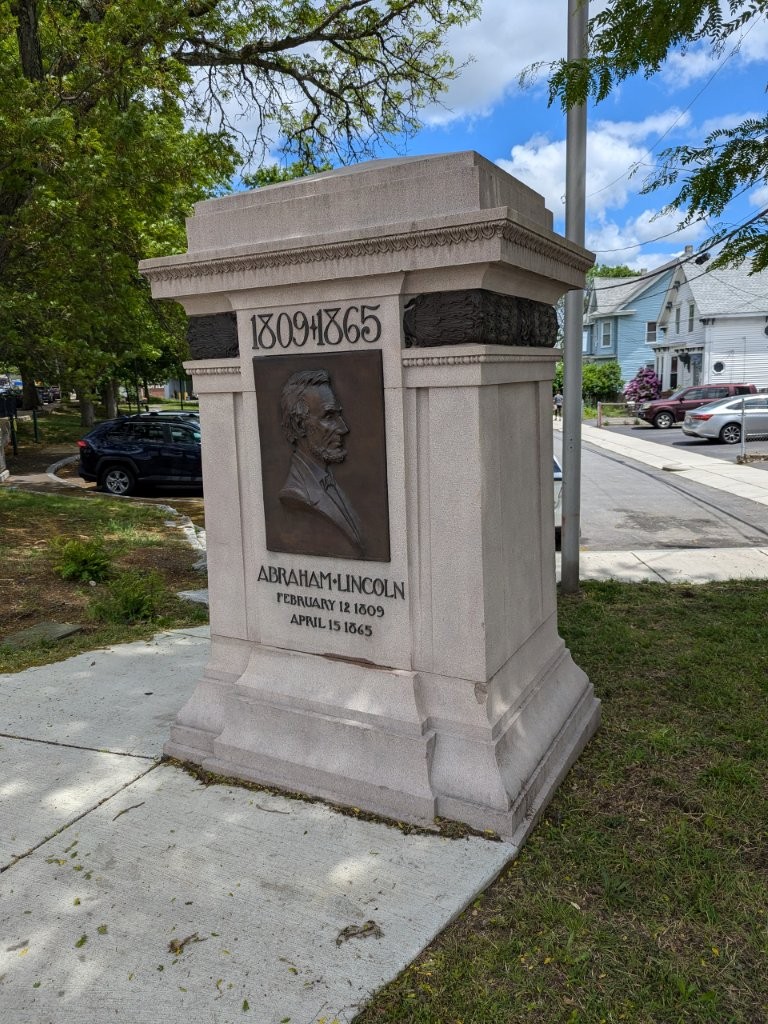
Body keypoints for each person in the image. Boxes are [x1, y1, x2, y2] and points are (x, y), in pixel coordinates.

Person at [278, 369, 365, 557]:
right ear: (299, 426)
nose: (343, 428)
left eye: (339, 415)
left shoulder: (329, 481)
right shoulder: (296, 494)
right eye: (329, 417)